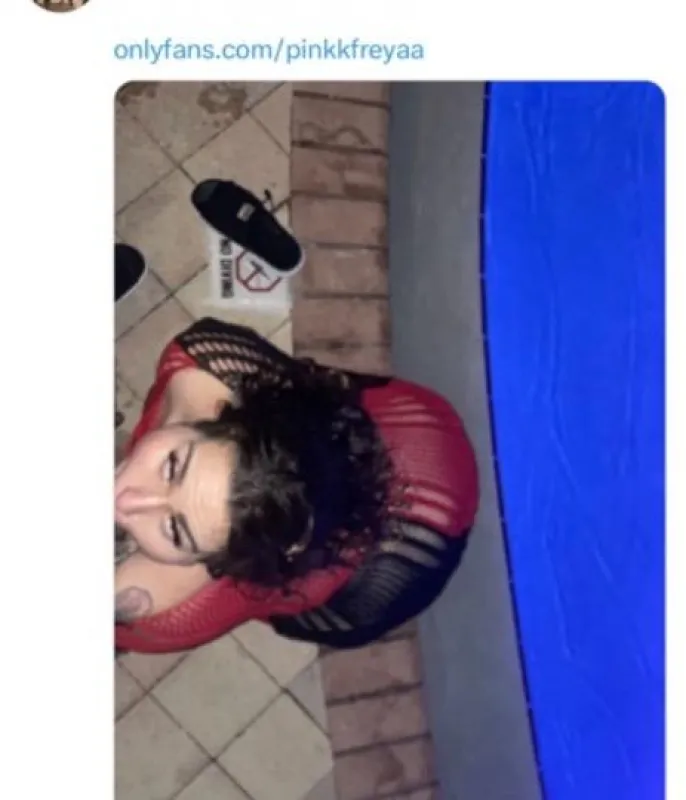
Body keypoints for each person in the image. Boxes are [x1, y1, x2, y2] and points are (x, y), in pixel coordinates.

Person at [115, 317, 479, 654]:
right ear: (218, 416)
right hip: (410, 420)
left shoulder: (168, 615)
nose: (126, 500)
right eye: (173, 466)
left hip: (388, 572)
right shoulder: (203, 357)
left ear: (222, 564)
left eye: (175, 530)